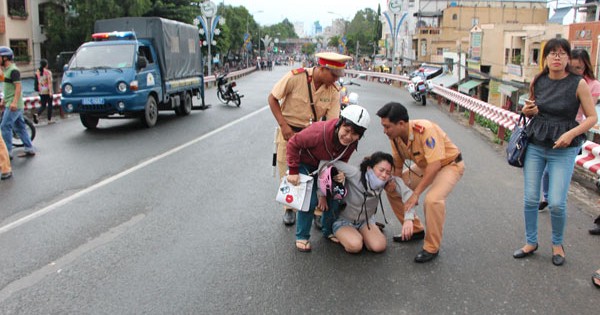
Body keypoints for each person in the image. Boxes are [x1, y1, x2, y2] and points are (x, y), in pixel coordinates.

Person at [513, 38, 597, 266]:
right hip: (536, 144)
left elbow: (592, 117)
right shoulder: (538, 80)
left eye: (561, 53)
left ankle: (557, 244)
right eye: (552, 53)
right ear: (546, 58)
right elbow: (532, 110)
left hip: (564, 148)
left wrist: (570, 135)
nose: (557, 57)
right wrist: (528, 110)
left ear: (568, 58)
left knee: (558, 202)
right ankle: (531, 242)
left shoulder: (578, 83)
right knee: (531, 198)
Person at [268, 52, 352, 226]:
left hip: (313, 136)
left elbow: (332, 122)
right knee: (288, 171)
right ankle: (289, 208)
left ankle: (317, 210)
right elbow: (272, 98)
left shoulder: (333, 91)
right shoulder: (295, 77)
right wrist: (284, 126)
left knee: (316, 172)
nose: (336, 80)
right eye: (334, 75)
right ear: (322, 69)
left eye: (338, 76)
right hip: (288, 132)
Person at [376, 102, 465, 263]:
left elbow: (435, 165)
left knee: (432, 200)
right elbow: (397, 166)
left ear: (401, 124)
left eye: (387, 126)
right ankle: (415, 229)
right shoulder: (394, 137)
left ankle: (432, 247)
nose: (384, 131)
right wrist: (396, 184)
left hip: (448, 165)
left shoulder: (425, 130)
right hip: (425, 166)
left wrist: (415, 194)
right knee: (392, 189)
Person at [286, 105, 370, 252]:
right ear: (339, 123)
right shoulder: (318, 132)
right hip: (305, 164)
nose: (349, 137)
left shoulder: (351, 143)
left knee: (335, 195)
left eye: (355, 134)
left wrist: (340, 173)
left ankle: (328, 230)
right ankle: (302, 236)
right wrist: (293, 170)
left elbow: (342, 159)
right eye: (347, 130)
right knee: (310, 201)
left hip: (327, 167)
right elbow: (293, 143)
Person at [539, 48, 600, 212]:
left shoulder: (591, 85)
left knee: (563, 172)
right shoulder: (559, 80)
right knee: (546, 171)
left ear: (585, 67)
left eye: (579, 68)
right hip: (553, 130)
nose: (575, 71)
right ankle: (546, 196)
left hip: (574, 132)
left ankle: (557, 202)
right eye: (571, 67)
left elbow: (589, 112)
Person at [328, 151, 417, 254]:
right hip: (344, 220)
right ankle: (345, 233)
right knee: (355, 246)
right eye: (381, 170)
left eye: (388, 172)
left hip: (365, 221)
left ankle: (360, 233)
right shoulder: (354, 173)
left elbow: (409, 194)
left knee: (379, 246)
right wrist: (336, 174)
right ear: (370, 168)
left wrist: (408, 219)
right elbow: (327, 162)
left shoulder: (387, 181)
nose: (384, 175)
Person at [0, 46, 35, 158]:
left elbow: (18, 88)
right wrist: (3, 100)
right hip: (10, 103)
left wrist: (14, 103)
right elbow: (8, 89)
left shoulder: (13, 70)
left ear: (5, 58)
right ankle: (29, 148)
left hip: (13, 105)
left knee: (5, 126)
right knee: (20, 127)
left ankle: (7, 153)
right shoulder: (6, 71)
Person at [33, 59, 54, 124]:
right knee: (50, 105)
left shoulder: (37, 72)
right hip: (47, 91)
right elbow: (49, 83)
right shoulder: (48, 72)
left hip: (41, 91)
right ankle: (49, 120)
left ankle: (37, 114)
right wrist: (50, 92)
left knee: (43, 105)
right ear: (46, 65)